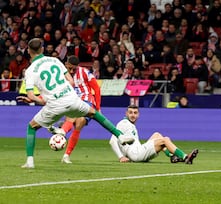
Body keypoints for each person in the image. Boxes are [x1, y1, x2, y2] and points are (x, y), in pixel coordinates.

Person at [16, 38, 134, 169]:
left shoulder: (30, 71)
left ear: (28, 51)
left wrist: (40, 100)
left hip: (54, 104)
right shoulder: (55, 60)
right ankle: (120, 136)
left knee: (31, 127)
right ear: (42, 49)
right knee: (94, 113)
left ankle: (30, 161)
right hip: (72, 98)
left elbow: (31, 95)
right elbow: (71, 82)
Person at [109, 105, 198, 164]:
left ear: (138, 115)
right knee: (165, 140)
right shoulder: (123, 123)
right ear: (126, 113)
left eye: (135, 113)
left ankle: (172, 156)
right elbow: (112, 140)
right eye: (130, 112)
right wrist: (121, 157)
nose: (133, 115)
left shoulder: (130, 125)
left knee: (157, 135)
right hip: (136, 154)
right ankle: (185, 157)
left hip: (137, 152)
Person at [59, 55, 102, 164]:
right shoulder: (60, 75)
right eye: (70, 68)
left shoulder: (84, 72)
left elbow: (96, 88)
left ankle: (62, 137)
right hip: (71, 101)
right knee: (79, 121)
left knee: (79, 121)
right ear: (66, 65)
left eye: (75, 68)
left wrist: (98, 107)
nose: (72, 71)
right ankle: (64, 145)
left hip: (86, 100)